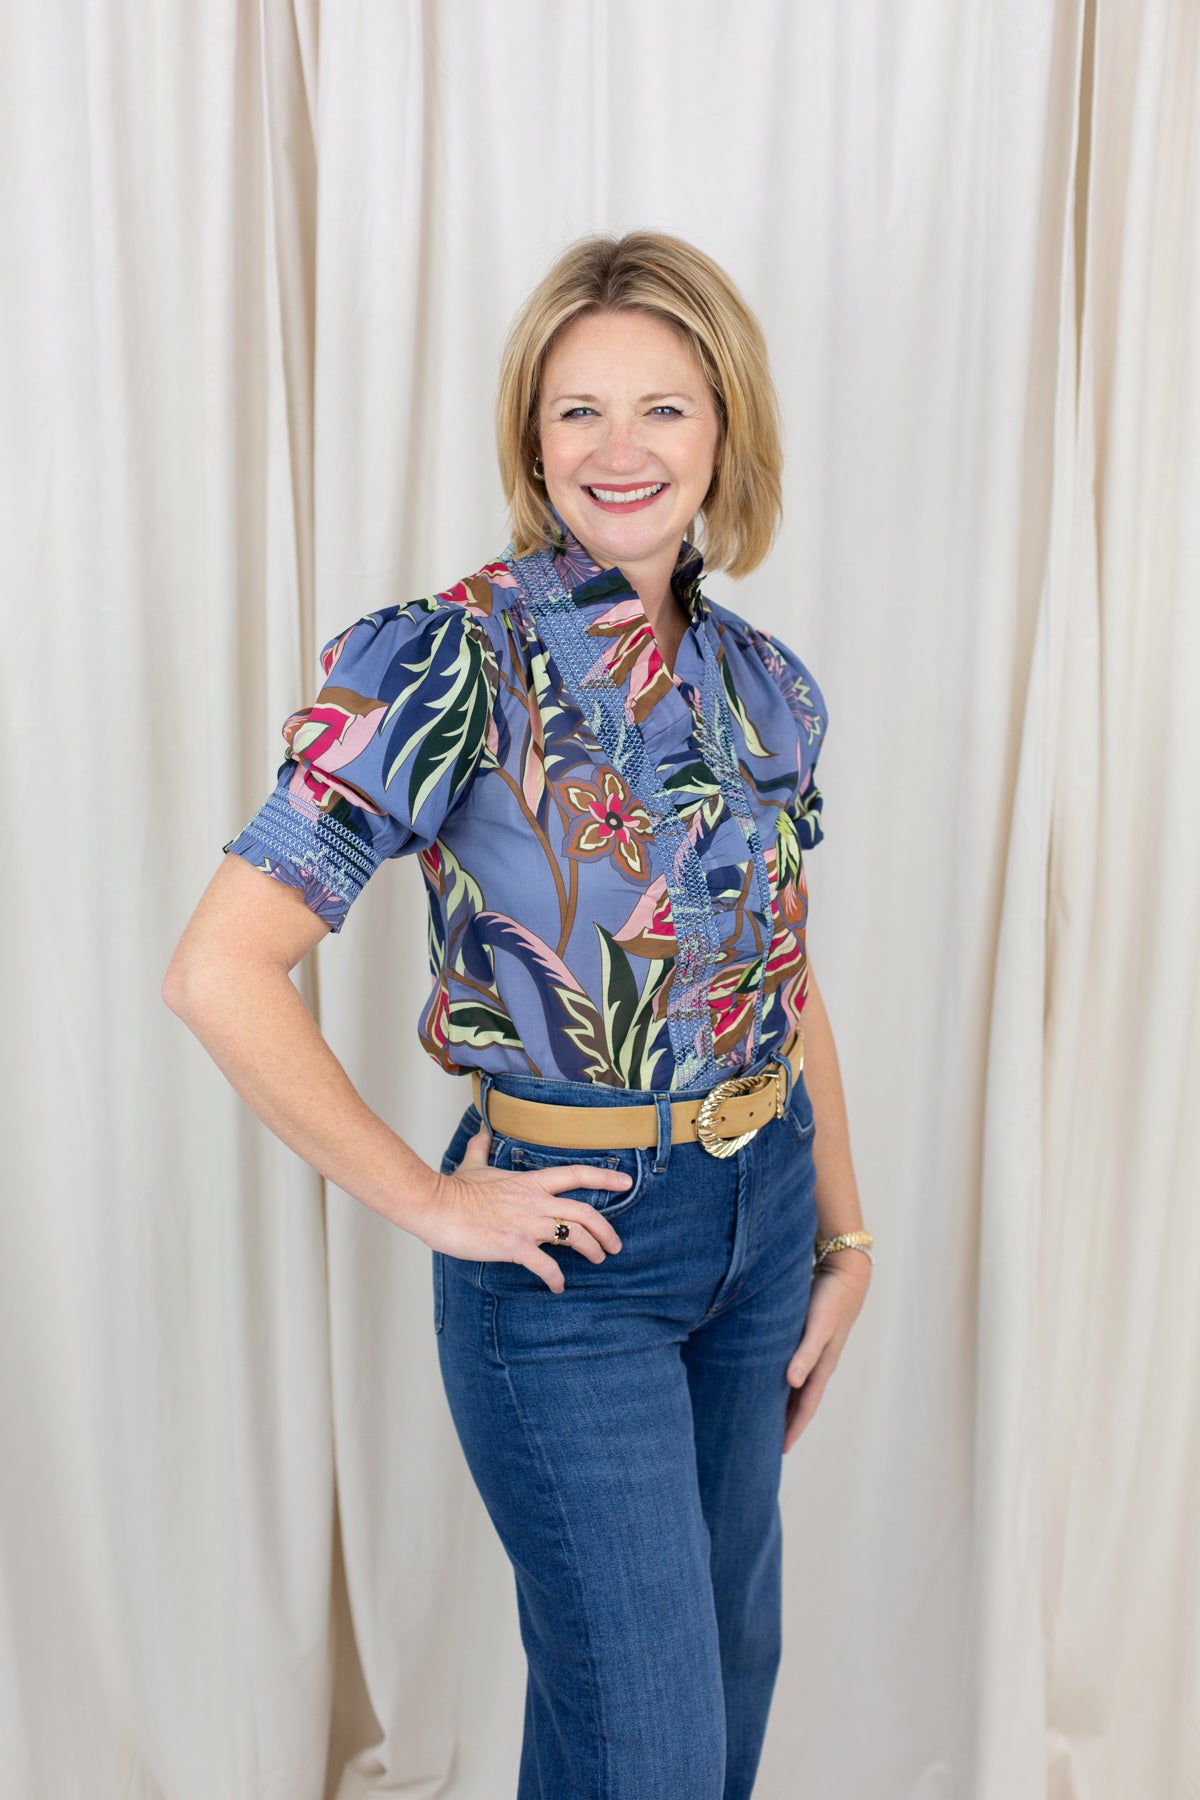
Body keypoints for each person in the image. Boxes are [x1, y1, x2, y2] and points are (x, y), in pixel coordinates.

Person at [163, 229, 873, 1800]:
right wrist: (426, 1197)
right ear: (528, 437)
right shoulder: (447, 662)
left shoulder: (767, 685)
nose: (622, 450)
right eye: (578, 412)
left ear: (727, 430)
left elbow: (781, 969)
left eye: (667, 408)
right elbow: (218, 966)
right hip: (574, 1262)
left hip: (759, 1234)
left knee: (697, 1707)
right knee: (659, 1752)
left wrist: (844, 1237)